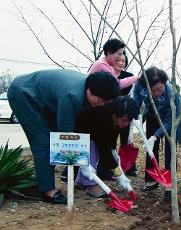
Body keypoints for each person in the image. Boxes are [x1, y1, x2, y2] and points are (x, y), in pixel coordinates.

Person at [7, 69, 120, 204]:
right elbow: (64, 136)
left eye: (105, 102)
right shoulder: (72, 96)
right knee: (44, 141)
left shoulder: (91, 92)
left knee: (50, 138)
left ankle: (44, 182)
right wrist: (83, 164)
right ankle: (47, 191)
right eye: (100, 100)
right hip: (24, 94)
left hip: (44, 99)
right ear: (89, 90)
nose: (101, 104)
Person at [132, 67, 181, 199]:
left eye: (159, 88)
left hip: (171, 118)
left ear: (164, 84)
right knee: (150, 147)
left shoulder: (171, 93)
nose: (156, 93)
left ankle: (169, 181)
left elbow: (169, 121)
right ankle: (151, 179)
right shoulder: (139, 86)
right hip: (152, 115)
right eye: (152, 89)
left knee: (170, 148)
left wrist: (156, 136)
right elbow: (137, 103)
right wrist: (137, 116)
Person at [75, 96, 138, 197]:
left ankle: (80, 181)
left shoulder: (119, 121)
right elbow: (103, 147)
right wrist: (117, 171)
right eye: (123, 120)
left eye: (128, 121)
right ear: (115, 114)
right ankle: (91, 186)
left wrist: (114, 154)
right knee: (92, 147)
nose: (126, 124)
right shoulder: (102, 115)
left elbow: (111, 140)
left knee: (97, 148)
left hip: (95, 136)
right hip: (80, 132)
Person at [113, 52, 139, 176]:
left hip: (125, 113)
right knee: (111, 141)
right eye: (118, 60)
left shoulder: (129, 76)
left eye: (123, 61)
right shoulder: (108, 74)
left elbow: (132, 95)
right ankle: (111, 167)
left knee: (126, 141)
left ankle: (128, 167)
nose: (121, 63)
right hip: (112, 114)